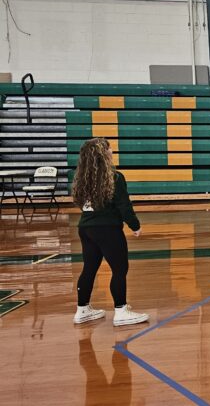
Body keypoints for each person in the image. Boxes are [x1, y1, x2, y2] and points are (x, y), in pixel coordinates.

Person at [71, 137, 149, 326]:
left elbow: (80, 202)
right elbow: (124, 206)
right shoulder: (115, 177)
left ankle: (82, 310)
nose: (112, 151)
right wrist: (135, 225)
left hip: (86, 228)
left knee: (89, 268)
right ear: (102, 154)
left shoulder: (82, 178)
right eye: (109, 148)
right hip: (107, 229)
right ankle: (121, 311)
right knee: (120, 269)